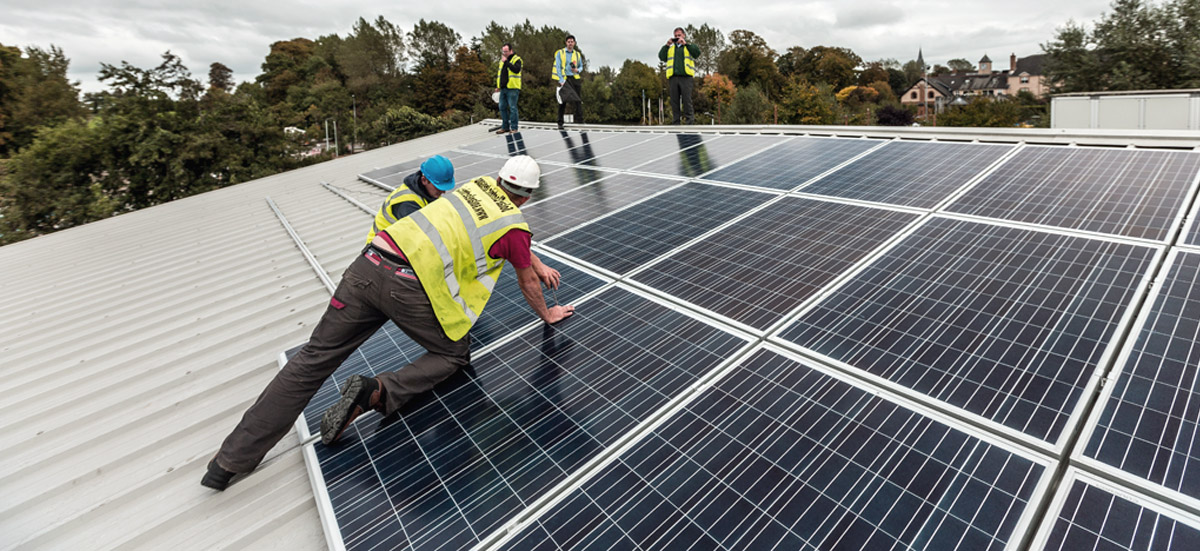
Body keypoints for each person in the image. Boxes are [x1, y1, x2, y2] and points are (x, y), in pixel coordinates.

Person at [202, 155, 573, 491]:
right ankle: (377, 391)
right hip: (408, 288)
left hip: (366, 266)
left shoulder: (473, 188)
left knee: (312, 360)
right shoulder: (514, 226)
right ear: (527, 197)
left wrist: (536, 262)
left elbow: (507, 239)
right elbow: (523, 273)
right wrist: (548, 313)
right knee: (453, 353)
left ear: (497, 179)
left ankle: (228, 462)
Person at [364, 155, 455, 244]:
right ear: (424, 180)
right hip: (380, 250)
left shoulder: (429, 192)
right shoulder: (407, 203)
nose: (443, 192)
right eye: (438, 187)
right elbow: (425, 238)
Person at [658, 27, 701, 125]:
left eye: (679, 35)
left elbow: (697, 53)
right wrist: (667, 45)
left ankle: (689, 122)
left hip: (686, 77)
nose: (677, 38)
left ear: (684, 35)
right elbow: (661, 57)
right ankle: (676, 122)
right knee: (674, 101)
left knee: (687, 100)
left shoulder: (688, 46)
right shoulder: (671, 48)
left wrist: (685, 43)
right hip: (673, 78)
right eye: (675, 36)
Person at [553, 35, 584, 130]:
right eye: (568, 42)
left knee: (578, 99)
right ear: (566, 43)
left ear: (574, 43)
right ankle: (560, 121)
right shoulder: (560, 53)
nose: (570, 43)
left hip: (574, 77)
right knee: (563, 101)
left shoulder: (577, 54)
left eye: (572, 42)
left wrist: (577, 70)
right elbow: (558, 67)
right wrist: (561, 80)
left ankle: (580, 121)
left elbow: (581, 66)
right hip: (565, 78)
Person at [494, 43, 523, 134]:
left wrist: (506, 62)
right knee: (502, 107)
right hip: (503, 88)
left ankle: (514, 128)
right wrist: (498, 86)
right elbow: (501, 74)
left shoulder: (517, 59)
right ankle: (505, 127)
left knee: (513, 107)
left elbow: (516, 70)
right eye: (503, 51)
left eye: (506, 51)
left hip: (513, 88)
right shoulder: (501, 61)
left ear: (511, 50)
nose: (504, 53)